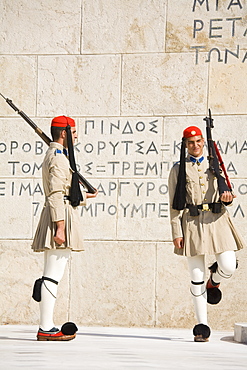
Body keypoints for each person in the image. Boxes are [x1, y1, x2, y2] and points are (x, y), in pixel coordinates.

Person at [168, 125, 245, 342]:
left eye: (198, 141)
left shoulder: (216, 164)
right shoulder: (178, 169)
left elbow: (227, 190)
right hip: (191, 222)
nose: (195, 145)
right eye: (190, 142)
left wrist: (227, 196)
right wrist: (176, 231)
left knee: (229, 265)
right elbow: (174, 205)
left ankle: (216, 278)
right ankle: (202, 325)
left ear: (204, 142)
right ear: (185, 145)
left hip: (217, 220)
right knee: (196, 276)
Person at [32, 115, 98, 341]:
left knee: (51, 273)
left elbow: (64, 193)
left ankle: (46, 324)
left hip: (59, 213)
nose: (77, 135)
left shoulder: (57, 155)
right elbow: (55, 194)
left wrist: (85, 196)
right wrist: (60, 227)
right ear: (64, 134)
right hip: (59, 218)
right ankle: (46, 327)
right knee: (52, 275)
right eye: (74, 131)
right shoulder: (59, 158)